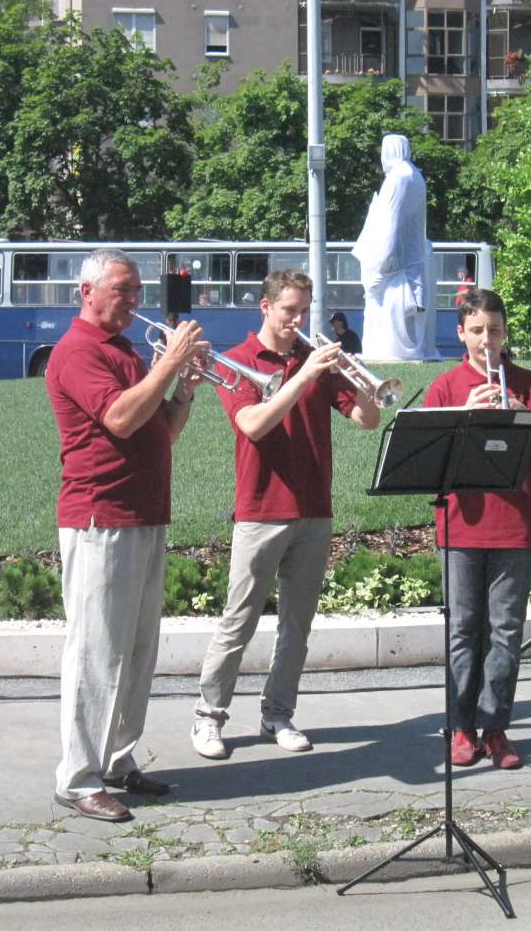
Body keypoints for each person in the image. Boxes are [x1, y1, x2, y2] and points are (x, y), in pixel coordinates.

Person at [46, 248, 208, 822]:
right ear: (87, 291)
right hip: (99, 517)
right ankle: (78, 777)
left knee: (138, 651)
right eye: (123, 288)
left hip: (143, 512)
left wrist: (183, 387)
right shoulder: (77, 352)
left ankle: (116, 761)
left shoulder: (125, 351)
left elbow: (160, 430)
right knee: (95, 652)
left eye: (137, 289)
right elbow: (117, 418)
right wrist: (169, 364)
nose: (135, 299)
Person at [191, 271, 381, 760]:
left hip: (314, 508)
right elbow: (253, 424)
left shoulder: (315, 362)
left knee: (298, 624)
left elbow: (369, 420)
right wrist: (305, 375)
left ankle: (278, 714)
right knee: (239, 619)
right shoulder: (237, 361)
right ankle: (209, 717)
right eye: (289, 310)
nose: (298, 320)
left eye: (304, 311)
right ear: (265, 307)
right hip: (261, 509)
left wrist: (361, 379)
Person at [424, 289, 531, 770]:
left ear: (506, 334)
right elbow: (430, 462)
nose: (488, 340)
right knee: (463, 630)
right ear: (461, 334)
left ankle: (496, 727)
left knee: (506, 631)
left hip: (515, 524)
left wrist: (516, 412)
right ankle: (461, 727)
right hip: (461, 525)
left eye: (496, 330)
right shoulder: (444, 387)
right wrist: (469, 413)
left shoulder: (528, 383)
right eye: (478, 331)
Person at [351, 133, 439, 360]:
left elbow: (389, 222)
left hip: (394, 259)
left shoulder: (397, 178)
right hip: (412, 255)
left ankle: (390, 352)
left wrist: (380, 261)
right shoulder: (415, 176)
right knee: (407, 318)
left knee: (388, 315)